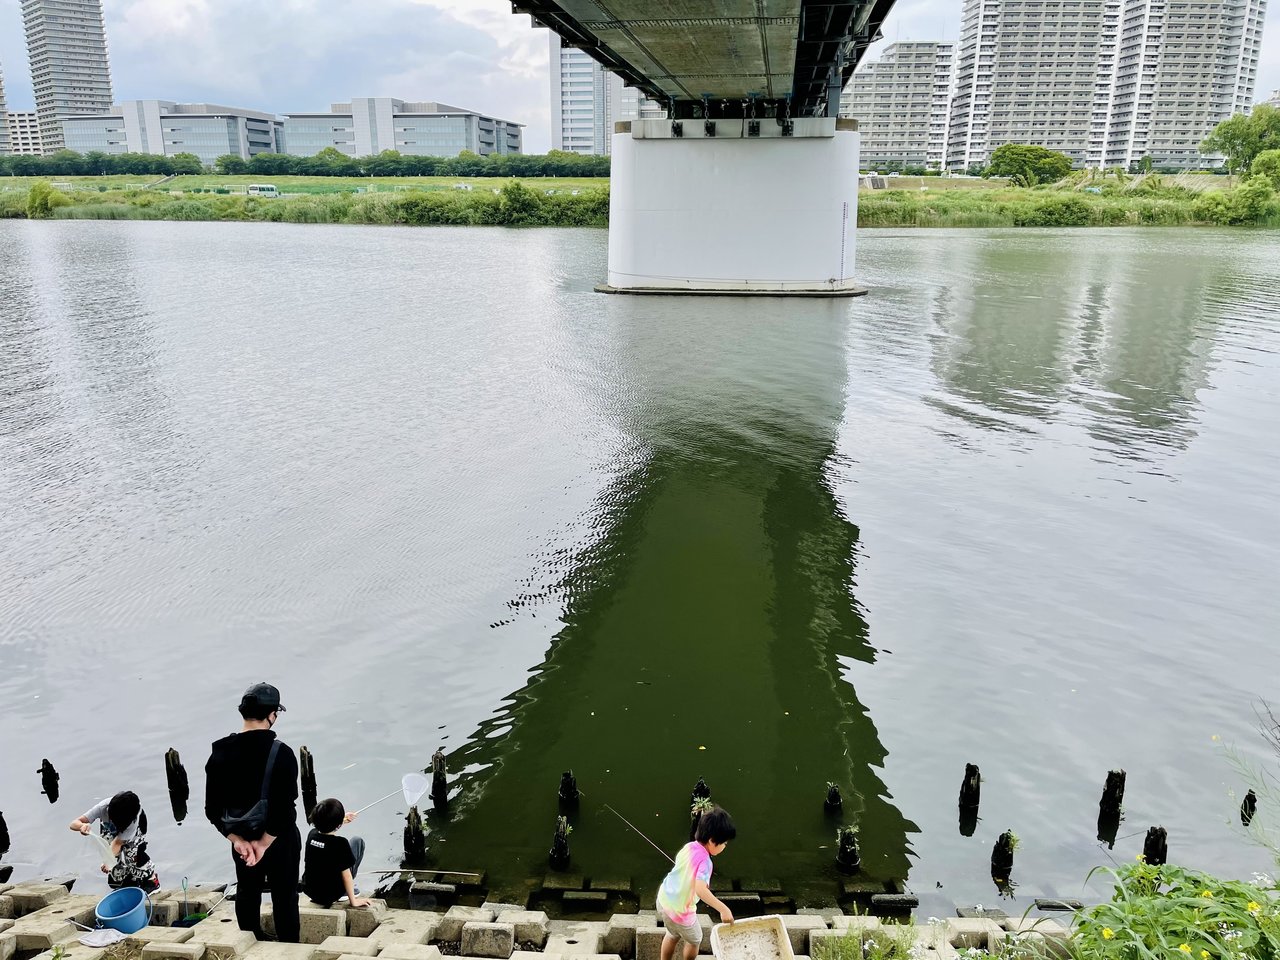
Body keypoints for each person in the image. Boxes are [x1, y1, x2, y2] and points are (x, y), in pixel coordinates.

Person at [205, 682, 301, 943]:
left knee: (248, 892)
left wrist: (239, 841)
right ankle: (290, 948)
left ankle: (250, 945)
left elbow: (212, 810)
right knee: (285, 896)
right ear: (272, 715)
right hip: (279, 840)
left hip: (242, 840)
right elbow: (286, 810)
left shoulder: (219, 753)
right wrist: (263, 843)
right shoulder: (282, 754)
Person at [656, 805, 737, 960]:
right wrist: (723, 909)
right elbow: (700, 889)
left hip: (664, 900)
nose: (725, 846)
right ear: (713, 841)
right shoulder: (706, 862)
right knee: (695, 940)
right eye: (724, 843)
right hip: (680, 911)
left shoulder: (688, 846)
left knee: (672, 934)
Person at [68, 791, 159, 891]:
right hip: (110, 832)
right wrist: (82, 826)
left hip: (136, 831)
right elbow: (73, 823)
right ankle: (129, 879)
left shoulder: (133, 819)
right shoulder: (103, 807)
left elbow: (118, 843)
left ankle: (152, 880)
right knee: (116, 875)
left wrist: (107, 861)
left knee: (132, 854)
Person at [302, 798, 370, 908]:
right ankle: (344, 893)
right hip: (331, 894)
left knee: (322, 862)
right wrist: (354, 901)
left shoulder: (311, 835)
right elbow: (347, 876)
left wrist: (340, 820)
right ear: (337, 825)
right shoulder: (340, 843)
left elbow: (324, 831)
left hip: (311, 891)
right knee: (357, 841)